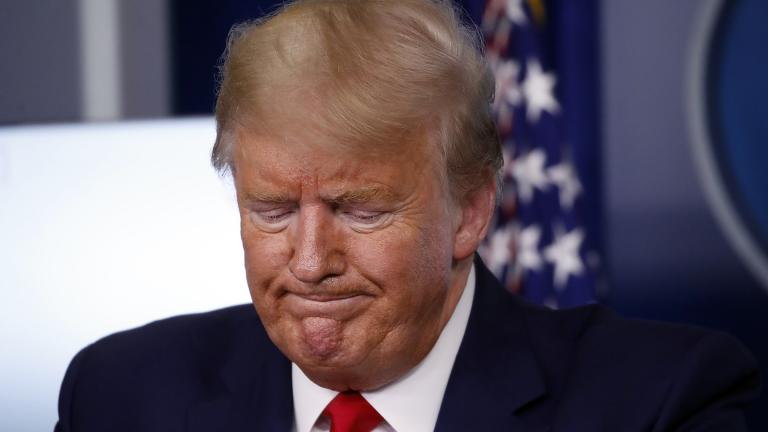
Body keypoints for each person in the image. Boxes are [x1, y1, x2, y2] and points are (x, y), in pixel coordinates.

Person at [55, 0, 760, 431]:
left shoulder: (660, 403)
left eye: (358, 211)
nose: (309, 262)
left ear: (471, 211)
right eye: (272, 211)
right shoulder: (120, 398)